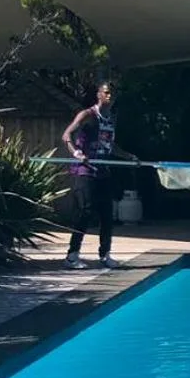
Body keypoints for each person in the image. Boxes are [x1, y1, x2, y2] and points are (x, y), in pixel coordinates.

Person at [62, 81, 138, 268]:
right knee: (85, 212)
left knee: (107, 214)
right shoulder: (87, 115)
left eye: (113, 93)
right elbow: (66, 136)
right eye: (106, 92)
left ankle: (105, 255)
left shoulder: (110, 119)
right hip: (85, 171)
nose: (110, 96)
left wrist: (128, 156)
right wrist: (77, 153)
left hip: (103, 172)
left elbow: (110, 147)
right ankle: (72, 255)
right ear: (99, 95)